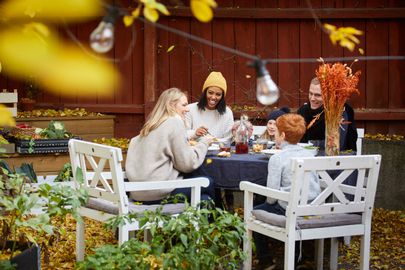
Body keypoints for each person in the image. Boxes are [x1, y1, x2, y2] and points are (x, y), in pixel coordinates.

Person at [253, 113, 321, 269]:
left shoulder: (277, 158)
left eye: (276, 132)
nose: (275, 134)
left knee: (255, 211)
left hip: (289, 209)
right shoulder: (309, 154)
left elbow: (271, 197)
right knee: (291, 206)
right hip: (312, 207)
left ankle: (265, 260)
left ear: (282, 135)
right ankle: (297, 259)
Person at [125, 88, 215, 204]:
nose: (187, 109)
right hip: (157, 194)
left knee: (204, 199)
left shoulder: (151, 125)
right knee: (208, 182)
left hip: (138, 193)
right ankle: (219, 219)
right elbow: (188, 164)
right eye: (184, 105)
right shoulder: (174, 121)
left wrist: (192, 136)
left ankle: (210, 220)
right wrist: (204, 143)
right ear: (171, 105)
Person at [297, 77, 358, 151]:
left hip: (337, 159)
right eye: (310, 93)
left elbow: (337, 144)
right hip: (304, 158)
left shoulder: (339, 111)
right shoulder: (303, 111)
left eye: (317, 95)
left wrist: (310, 144)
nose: (312, 98)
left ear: (328, 95)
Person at [185, 71, 234, 141]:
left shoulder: (227, 112)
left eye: (218, 94)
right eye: (210, 93)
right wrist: (195, 133)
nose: (213, 97)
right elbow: (183, 134)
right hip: (195, 150)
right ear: (204, 92)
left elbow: (229, 138)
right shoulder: (190, 109)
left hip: (220, 150)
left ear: (222, 97)